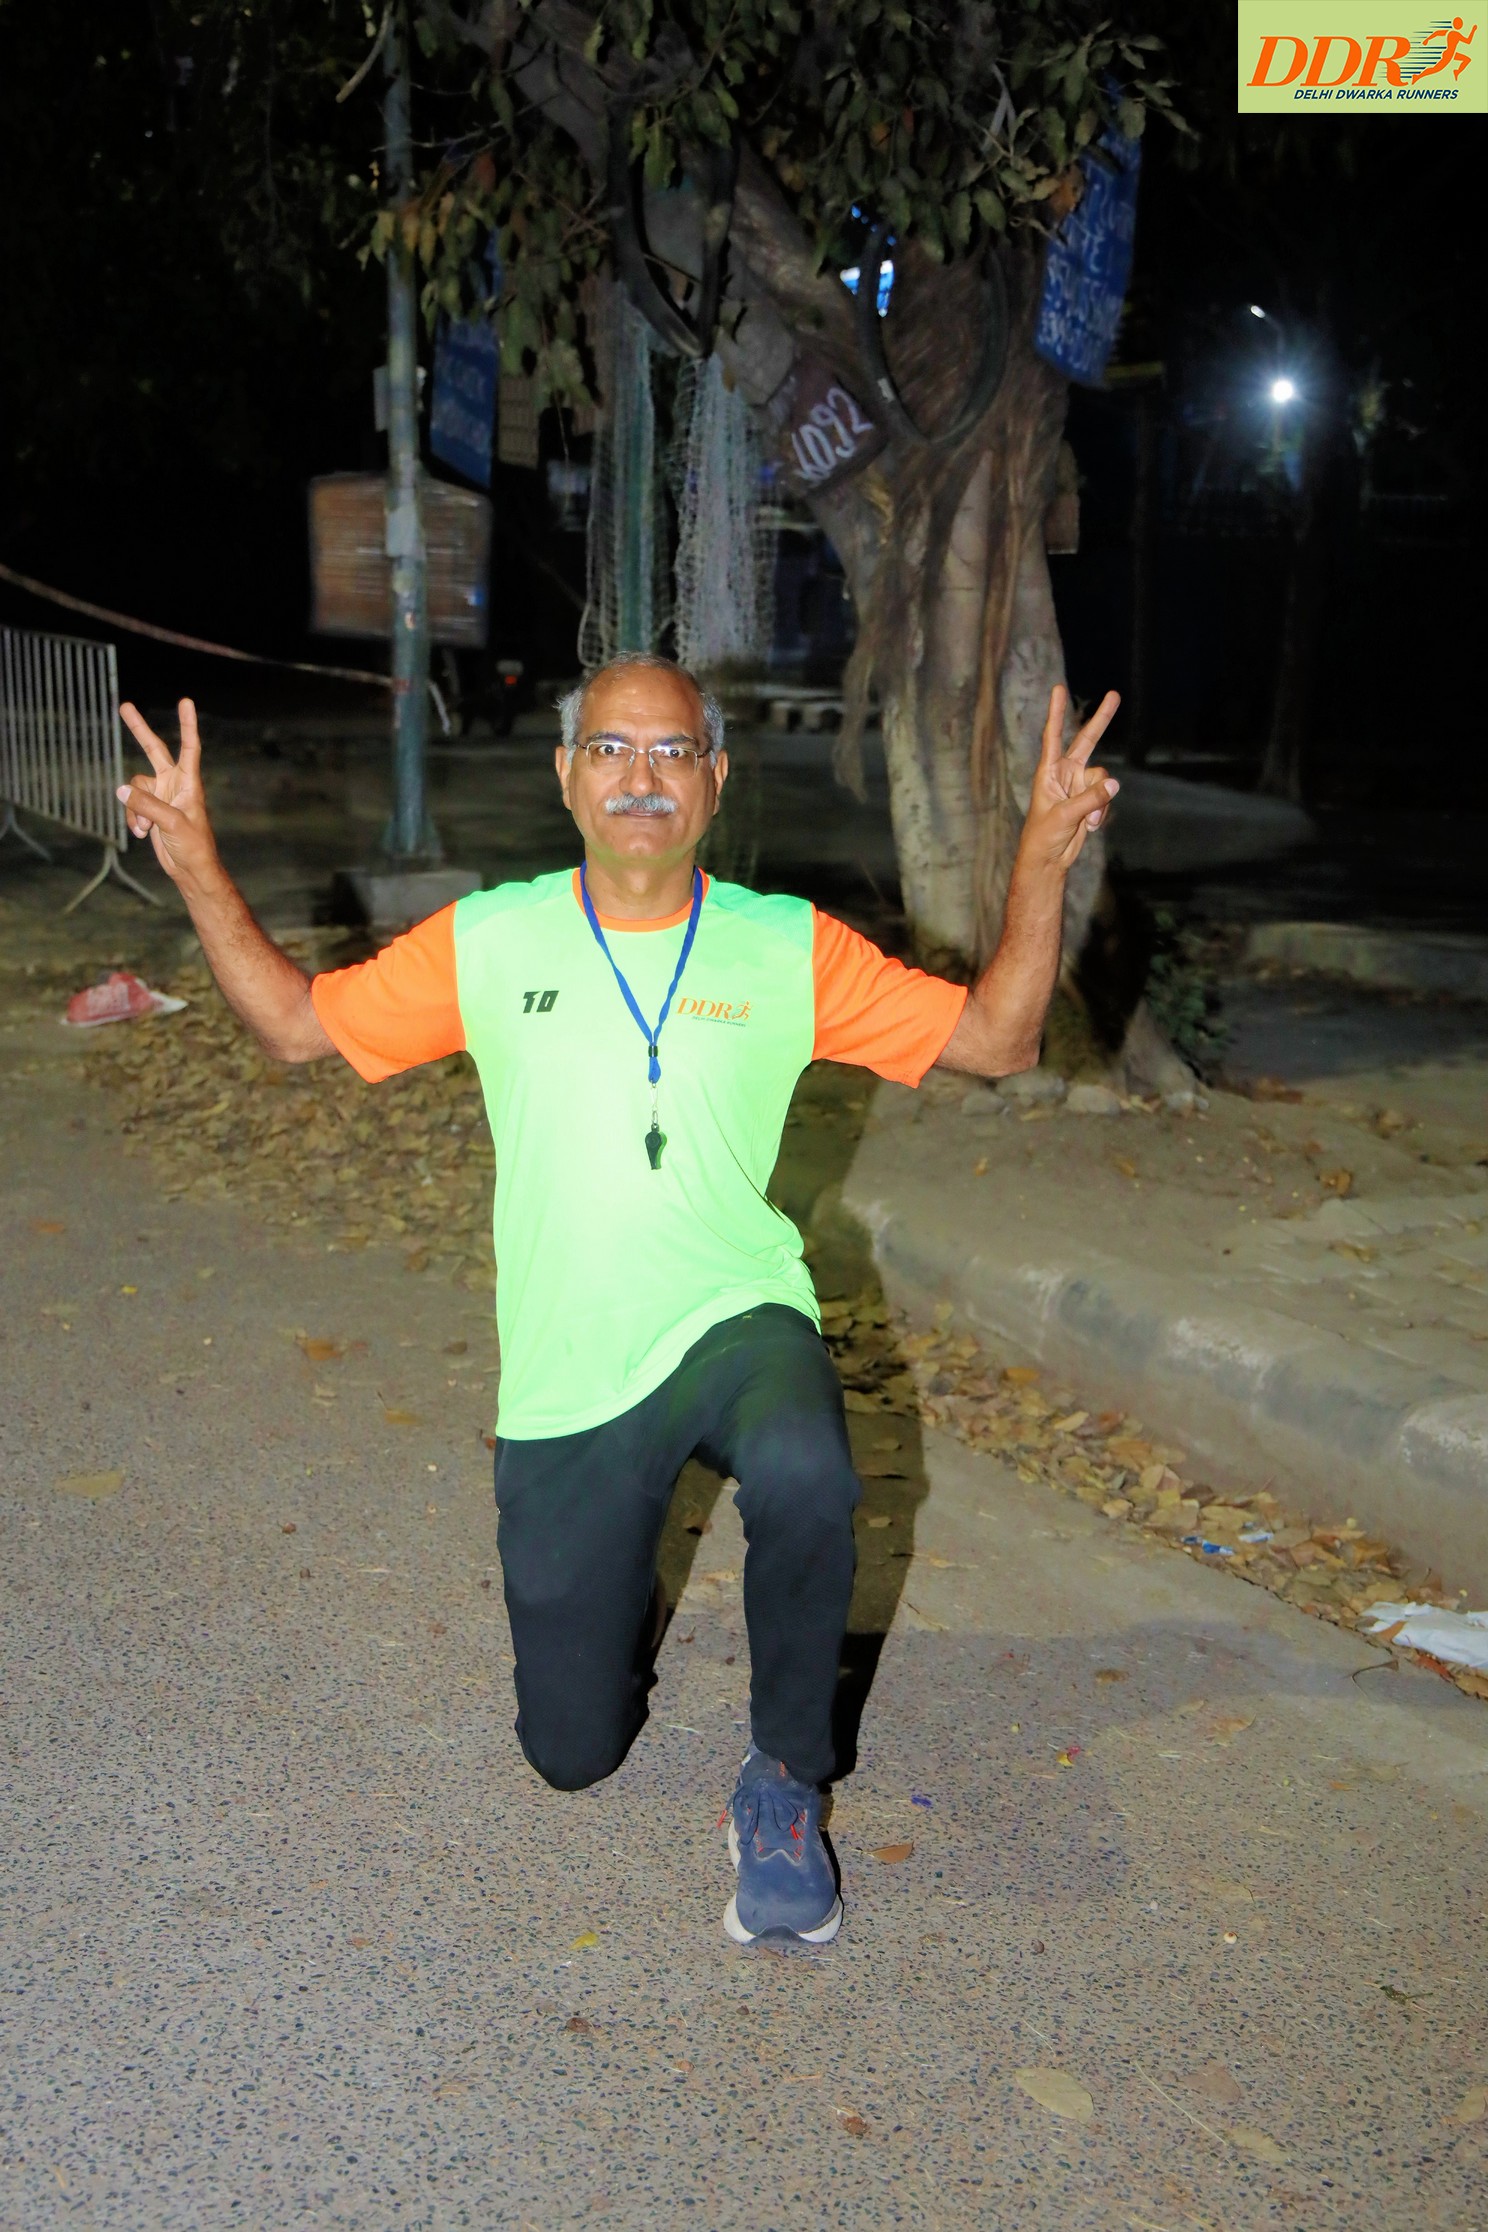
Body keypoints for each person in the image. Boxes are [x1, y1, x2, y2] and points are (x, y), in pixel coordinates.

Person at [117, 653, 1119, 1948]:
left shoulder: (785, 946)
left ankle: (784, 1782)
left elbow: (998, 1039)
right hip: (572, 1371)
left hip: (734, 1316)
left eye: (670, 751)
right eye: (611, 749)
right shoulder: (493, 940)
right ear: (566, 775)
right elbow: (296, 1027)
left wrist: (1039, 860)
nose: (640, 777)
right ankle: (622, 1578)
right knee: (571, 1752)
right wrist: (197, 862)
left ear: (714, 778)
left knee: (809, 1467)